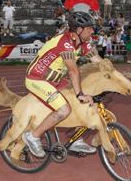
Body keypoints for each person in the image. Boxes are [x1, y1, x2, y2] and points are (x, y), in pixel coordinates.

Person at [23, 11, 102, 157]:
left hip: (56, 81)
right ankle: (33, 136)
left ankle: (76, 139)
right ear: (78, 30)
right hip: (37, 79)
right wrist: (80, 93)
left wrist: (112, 77)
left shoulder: (83, 43)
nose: (92, 30)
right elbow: (73, 71)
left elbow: (100, 63)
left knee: (81, 104)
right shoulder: (64, 42)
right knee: (64, 109)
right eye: (89, 28)